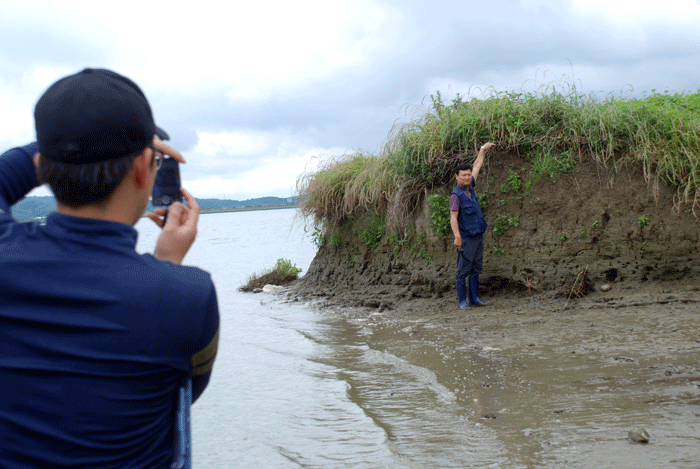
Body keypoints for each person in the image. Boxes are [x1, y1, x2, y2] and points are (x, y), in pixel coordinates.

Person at [0, 68, 220, 468]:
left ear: (42, 167)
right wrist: (167, 263)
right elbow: (177, 392)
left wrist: (61, 146)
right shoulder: (188, 296)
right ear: (142, 169)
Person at [450, 142, 495, 309]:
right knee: (463, 269)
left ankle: (475, 298)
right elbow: (453, 218)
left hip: (478, 236)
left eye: (468, 175)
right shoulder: (455, 196)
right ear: (457, 177)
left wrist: (482, 150)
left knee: (476, 268)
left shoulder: (470, 188)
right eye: (463, 175)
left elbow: (477, 166)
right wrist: (457, 236)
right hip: (466, 238)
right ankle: (463, 301)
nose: (467, 177)